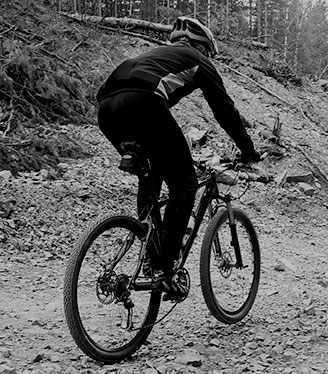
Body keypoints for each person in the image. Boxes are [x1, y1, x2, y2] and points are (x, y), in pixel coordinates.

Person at [95, 17, 261, 299]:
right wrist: (248, 150)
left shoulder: (156, 57)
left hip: (106, 109)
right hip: (144, 103)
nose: (208, 58)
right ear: (204, 48)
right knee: (184, 183)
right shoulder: (198, 60)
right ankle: (164, 267)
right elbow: (224, 110)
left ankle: (149, 251)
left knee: (151, 175)